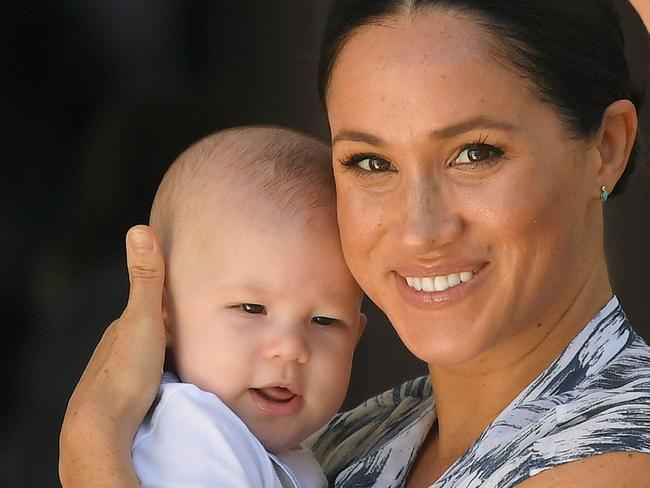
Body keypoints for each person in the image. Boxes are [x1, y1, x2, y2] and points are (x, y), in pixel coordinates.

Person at [59, 1, 650, 486]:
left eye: (475, 153)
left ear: (608, 146)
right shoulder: (348, 439)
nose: (420, 229)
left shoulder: (619, 452)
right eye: (371, 162)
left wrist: (93, 444)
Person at [126, 126, 365, 487]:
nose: (290, 349)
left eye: (325, 320)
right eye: (252, 309)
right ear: (165, 310)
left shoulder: (283, 452)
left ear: (356, 337)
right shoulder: (193, 436)